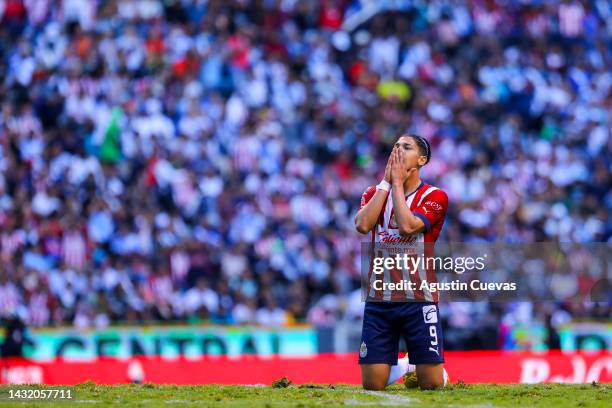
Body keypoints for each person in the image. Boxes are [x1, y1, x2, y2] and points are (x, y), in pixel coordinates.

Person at [354, 134, 450, 390]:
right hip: (379, 300)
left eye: (406, 147)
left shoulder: (435, 196)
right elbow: (363, 225)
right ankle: (406, 365)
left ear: (421, 160)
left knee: (431, 385)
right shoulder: (374, 192)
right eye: (395, 146)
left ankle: (429, 369)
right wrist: (387, 182)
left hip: (419, 299)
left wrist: (396, 183)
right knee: (372, 386)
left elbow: (408, 227)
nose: (397, 150)